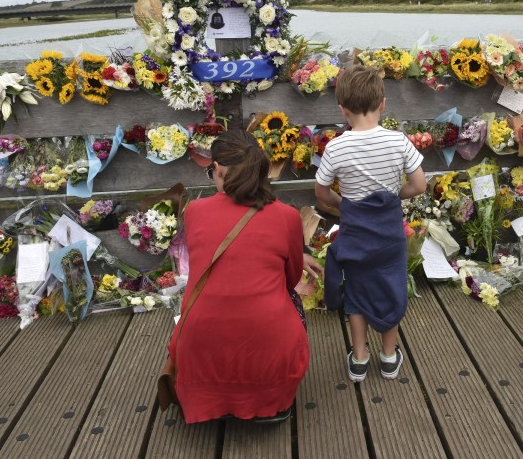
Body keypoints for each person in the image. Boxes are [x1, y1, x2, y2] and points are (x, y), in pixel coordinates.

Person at [167, 128, 311, 423]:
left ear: (217, 170)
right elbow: (291, 278)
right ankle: (268, 401)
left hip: (202, 347)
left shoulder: (194, 211)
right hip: (269, 353)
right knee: (289, 304)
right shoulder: (287, 216)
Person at [314, 65, 427, 383]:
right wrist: (394, 195)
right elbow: (419, 186)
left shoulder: (336, 147)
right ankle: (389, 357)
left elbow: (321, 192)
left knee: (357, 292)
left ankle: (360, 358)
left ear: (342, 110)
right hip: (389, 236)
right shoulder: (398, 141)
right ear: (383, 104)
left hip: (356, 236)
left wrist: (340, 204)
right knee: (391, 290)